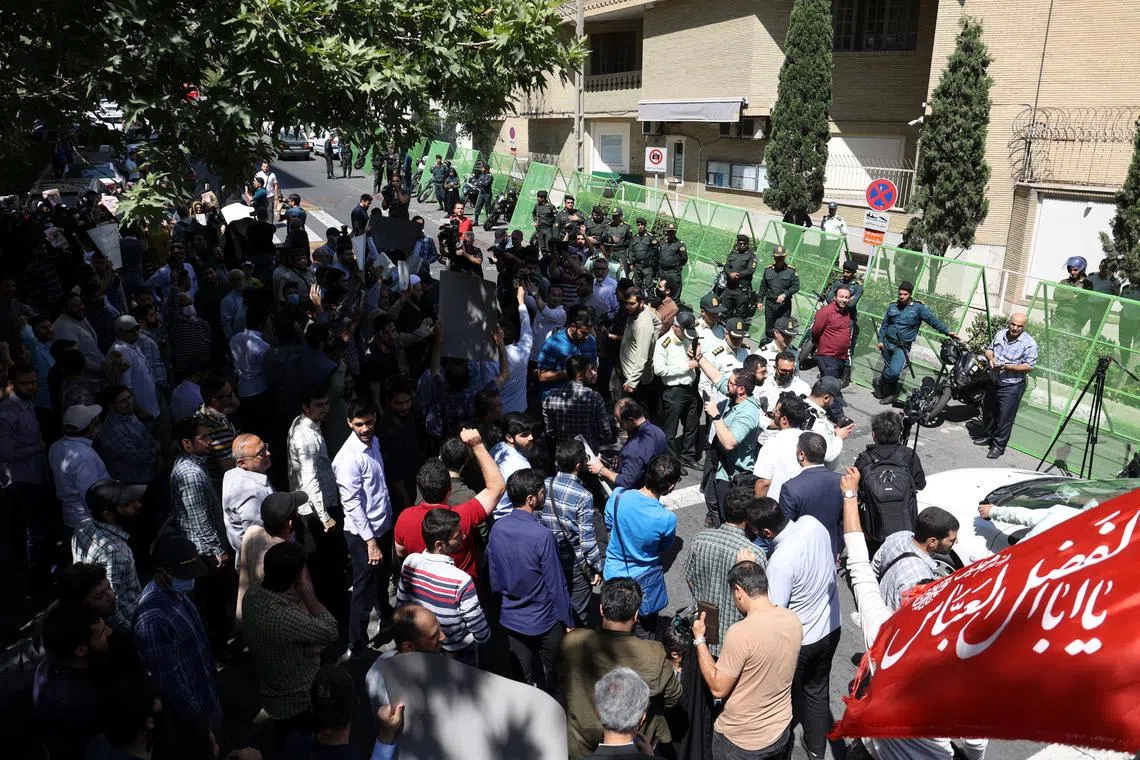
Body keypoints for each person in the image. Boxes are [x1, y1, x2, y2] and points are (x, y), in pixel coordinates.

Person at [839, 468, 989, 760]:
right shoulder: (954, 666)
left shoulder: (882, 630)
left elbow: (860, 562)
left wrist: (849, 495)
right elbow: (976, 741)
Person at [746, 498, 840, 760]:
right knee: (817, 692)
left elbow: (773, 611)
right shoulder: (812, 523)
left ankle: (779, 748)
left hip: (802, 640)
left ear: (766, 533)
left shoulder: (780, 563)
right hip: (831, 629)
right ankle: (816, 750)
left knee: (780, 695)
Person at [559, 579, 682, 759]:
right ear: (636, 615)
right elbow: (672, 698)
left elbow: (561, 682)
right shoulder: (654, 654)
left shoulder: (573, 641)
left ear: (601, 609)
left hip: (581, 743)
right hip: (634, 743)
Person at [691, 560, 801, 760]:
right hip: (780, 730)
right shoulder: (792, 619)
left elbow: (717, 688)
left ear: (738, 591)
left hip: (741, 742)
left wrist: (699, 639)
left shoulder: (741, 633)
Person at [486, 468, 575, 693]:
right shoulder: (541, 535)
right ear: (531, 499)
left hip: (511, 620)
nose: (544, 496)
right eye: (542, 492)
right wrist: (568, 622)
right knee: (552, 677)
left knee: (521, 678)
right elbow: (555, 584)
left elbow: (494, 578)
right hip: (543, 621)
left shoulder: (497, 528)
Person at [242, 541, 339, 744]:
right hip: (299, 703)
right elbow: (331, 630)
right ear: (298, 577)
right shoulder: (285, 618)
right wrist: (308, 593)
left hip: (273, 696)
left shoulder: (253, 595)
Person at [393, 428, 505, 579]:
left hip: (423, 592)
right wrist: (477, 445)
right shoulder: (461, 517)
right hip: (462, 591)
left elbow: (400, 552)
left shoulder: (404, 518)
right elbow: (497, 487)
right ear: (449, 490)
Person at [133, 534, 221, 724]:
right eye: (183, 575)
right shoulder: (152, 620)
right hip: (194, 716)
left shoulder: (176, 593)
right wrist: (200, 723)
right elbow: (169, 682)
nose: (190, 580)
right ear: (161, 572)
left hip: (207, 694)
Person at [332, 398, 394, 654]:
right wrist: (371, 543)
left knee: (381, 579)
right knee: (363, 589)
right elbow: (353, 505)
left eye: (369, 422)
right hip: (364, 536)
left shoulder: (374, 442)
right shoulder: (348, 459)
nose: (365, 428)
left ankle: (386, 617)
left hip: (382, 525)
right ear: (349, 423)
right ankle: (356, 642)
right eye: (359, 424)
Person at [396, 508, 490, 664]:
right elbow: (481, 633)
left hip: (424, 649)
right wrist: (468, 642)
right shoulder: (461, 580)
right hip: (458, 653)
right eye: (457, 535)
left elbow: (402, 606)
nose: (463, 536)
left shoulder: (410, 562)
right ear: (440, 544)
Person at [602, 455, 680, 639]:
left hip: (613, 574)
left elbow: (609, 523)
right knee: (644, 633)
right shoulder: (666, 519)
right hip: (644, 582)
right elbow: (664, 546)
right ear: (669, 486)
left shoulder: (619, 496)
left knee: (612, 633)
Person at [685, 488, 764, 655]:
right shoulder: (754, 554)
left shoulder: (700, 539)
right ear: (747, 518)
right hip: (736, 643)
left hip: (703, 631)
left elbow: (689, 578)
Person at [33, 599, 113, 759]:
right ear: (81, 650)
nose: (109, 632)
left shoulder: (51, 665)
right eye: (102, 632)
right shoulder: (77, 700)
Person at [539, 439, 603, 625]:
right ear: (578, 465)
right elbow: (587, 541)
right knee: (578, 613)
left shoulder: (545, 483)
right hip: (574, 562)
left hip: (550, 556)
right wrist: (596, 568)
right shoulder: (584, 496)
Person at [0, 363, 52, 593]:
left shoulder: (27, 405)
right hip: (20, 482)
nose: (31, 387)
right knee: (32, 534)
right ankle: (34, 584)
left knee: (39, 531)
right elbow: (7, 453)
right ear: (11, 385)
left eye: (33, 382)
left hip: (36, 476)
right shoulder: (6, 414)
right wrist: (39, 447)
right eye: (25, 383)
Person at [71, 479, 145, 635]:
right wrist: (136, 635)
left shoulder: (84, 525)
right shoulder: (114, 552)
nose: (137, 505)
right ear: (108, 515)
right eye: (127, 504)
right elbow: (111, 608)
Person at [695, 353, 761, 527]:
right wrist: (700, 357)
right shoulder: (736, 395)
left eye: (731, 383)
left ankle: (725, 533)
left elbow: (730, 442)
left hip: (734, 475)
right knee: (711, 499)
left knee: (728, 514)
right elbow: (716, 377)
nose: (727, 384)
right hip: (720, 465)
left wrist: (716, 416)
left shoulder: (748, 413)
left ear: (741, 389)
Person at [284, 664, 404, 760]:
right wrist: (386, 733)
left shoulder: (292, 744)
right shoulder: (356, 755)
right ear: (357, 703)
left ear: (312, 708)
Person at [853, 411, 927, 552]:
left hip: (874, 528)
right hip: (904, 526)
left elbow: (854, 489)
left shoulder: (865, 458)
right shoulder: (908, 455)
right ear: (899, 433)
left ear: (874, 435)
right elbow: (920, 484)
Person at [875, 280, 957, 406]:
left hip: (901, 347)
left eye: (905, 294)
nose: (902, 297)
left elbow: (932, 320)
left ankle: (880, 382)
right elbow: (885, 324)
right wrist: (880, 340)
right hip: (887, 343)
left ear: (910, 294)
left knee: (894, 372)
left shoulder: (918, 308)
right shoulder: (892, 306)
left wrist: (947, 331)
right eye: (900, 294)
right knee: (888, 368)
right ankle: (890, 394)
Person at [973, 312, 1037, 459]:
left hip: (1012, 386)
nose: (1015, 328)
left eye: (1019, 326)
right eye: (1013, 324)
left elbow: (1029, 366)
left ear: (1024, 327)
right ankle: (988, 436)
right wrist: (991, 359)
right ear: (1009, 323)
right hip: (994, 381)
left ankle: (998, 446)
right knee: (988, 411)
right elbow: (989, 349)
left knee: (1005, 418)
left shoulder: (1029, 344)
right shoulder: (1000, 334)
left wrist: (1008, 367)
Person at [235, 490, 305, 621]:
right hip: (280, 625)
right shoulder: (287, 555)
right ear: (290, 523)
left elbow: (241, 568)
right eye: (296, 512)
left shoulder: (252, 533)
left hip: (250, 616)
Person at [872, 506, 958, 610]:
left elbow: (875, 567)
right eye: (951, 540)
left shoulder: (900, 536)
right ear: (932, 542)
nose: (956, 542)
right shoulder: (919, 578)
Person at [778, 432, 844, 554]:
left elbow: (784, 530)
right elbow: (844, 521)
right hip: (830, 550)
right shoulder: (842, 481)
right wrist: (837, 549)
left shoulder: (791, 488)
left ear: (801, 455)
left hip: (802, 553)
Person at [49, 403, 111, 531]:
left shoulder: (55, 447)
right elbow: (89, 496)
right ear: (90, 428)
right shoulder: (84, 456)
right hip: (88, 522)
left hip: (72, 517)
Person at [653, 310, 701, 468]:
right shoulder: (664, 343)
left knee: (692, 425)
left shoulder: (687, 337)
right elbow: (659, 370)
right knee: (671, 431)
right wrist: (686, 366)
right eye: (684, 331)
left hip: (690, 388)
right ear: (676, 327)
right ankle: (671, 463)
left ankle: (688, 456)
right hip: (674, 391)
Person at [588, 399, 668, 490]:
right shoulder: (659, 432)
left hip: (637, 492)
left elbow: (626, 481)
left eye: (620, 422)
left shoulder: (634, 448)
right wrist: (623, 459)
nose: (619, 426)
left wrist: (601, 469)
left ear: (631, 420)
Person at [542, 354, 613, 450]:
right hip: (588, 453)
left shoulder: (549, 398)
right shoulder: (594, 397)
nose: (592, 373)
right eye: (588, 371)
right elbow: (605, 431)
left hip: (563, 453)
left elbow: (549, 432)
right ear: (579, 375)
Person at [752, 392, 812, 501]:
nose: (773, 412)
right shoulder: (810, 440)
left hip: (778, 506)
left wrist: (756, 510)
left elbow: (763, 484)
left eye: (776, 411)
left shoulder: (772, 444)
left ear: (784, 419)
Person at [222, 433, 275, 554]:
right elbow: (259, 537)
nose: (268, 453)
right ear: (242, 463)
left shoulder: (234, 473)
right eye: (261, 453)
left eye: (265, 447)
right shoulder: (251, 492)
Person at [809, 284, 854, 425]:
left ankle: (815, 404)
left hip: (841, 356)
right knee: (832, 386)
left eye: (847, 297)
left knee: (828, 384)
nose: (844, 299)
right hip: (827, 355)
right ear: (835, 297)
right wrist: (819, 344)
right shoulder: (826, 312)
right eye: (841, 296)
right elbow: (815, 331)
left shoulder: (847, 312)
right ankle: (839, 416)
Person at [96, 386, 156, 485]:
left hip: (146, 472)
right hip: (133, 482)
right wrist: (156, 451)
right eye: (123, 401)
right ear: (111, 406)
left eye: (129, 397)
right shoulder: (114, 429)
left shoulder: (126, 413)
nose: (129, 402)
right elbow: (136, 457)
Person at [536, 305, 599, 398]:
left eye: (588, 333)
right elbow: (542, 376)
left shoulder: (590, 340)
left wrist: (593, 372)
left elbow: (593, 363)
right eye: (583, 333)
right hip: (556, 399)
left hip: (580, 398)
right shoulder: (553, 344)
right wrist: (571, 373)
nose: (587, 337)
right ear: (573, 327)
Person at [108, 315, 159, 420]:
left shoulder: (132, 344)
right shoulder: (120, 352)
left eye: (137, 328)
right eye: (130, 331)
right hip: (142, 411)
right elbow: (125, 387)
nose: (136, 332)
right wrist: (140, 411)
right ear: (120, 332)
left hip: (151, 405)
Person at [194, 375, 239, 493]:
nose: (233, 396)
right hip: (222, 486)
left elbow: (235, 405)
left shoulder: (203, 410)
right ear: (215, 401)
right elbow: (229, 469)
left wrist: (228, 395)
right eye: (229, 395)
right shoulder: (217, 428)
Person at [616, 285, 661, 404]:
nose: (628, 307)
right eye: (626, 303)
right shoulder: (642, 310)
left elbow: (642, 358)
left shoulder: (643, 326)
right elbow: (658, 323)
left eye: (632, 304)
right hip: (629, 372)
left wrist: (632, 383)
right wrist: (653, 339)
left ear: (641, 303)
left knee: (634, 413)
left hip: (635, 379)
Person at [758, 245, 799, 342]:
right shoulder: (768, 270)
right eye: (777, 257)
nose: (779, 259)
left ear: (784, 257)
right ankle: (769, 344)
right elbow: (763, 286)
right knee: (769, 328)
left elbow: (796, 286)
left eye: (781, 257)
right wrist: (760, 300)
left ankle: (780, 347)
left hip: (784, 306)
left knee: (783, 328)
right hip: (770, 304)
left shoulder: (791, 271)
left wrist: (785, 294)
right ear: (774, 257)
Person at [657, 223, 688, 299]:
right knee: (662, 292)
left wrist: (676, 266)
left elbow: (684, 259)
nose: (671, 233)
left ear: (675, 232)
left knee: (674, 293)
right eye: (669, 232)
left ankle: (674, 308)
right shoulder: (663, 243)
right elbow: (659, 255)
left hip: (673, 273)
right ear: (667, 232)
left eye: (672, 232)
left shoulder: (680, 244)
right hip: (663, 272)